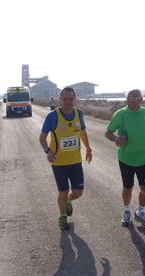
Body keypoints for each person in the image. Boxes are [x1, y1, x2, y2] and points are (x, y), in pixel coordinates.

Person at [105, 89, 145, 228]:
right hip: (126, 158)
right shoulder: (120, 114)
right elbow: (108, 132)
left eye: (134, 98)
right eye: (129, 98)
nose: (131, 101)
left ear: (141, 99)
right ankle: (126, 210)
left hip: (144, 157)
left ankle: (140, 212)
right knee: (128, 188)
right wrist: (116, 138)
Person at [39, 87, 93, 230]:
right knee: (62, 191)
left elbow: (82, 132)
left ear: (75, 99)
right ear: (60, 99)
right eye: (65, 99)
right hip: (59, 162)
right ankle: (62, 216)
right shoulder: (52, 116)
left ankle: (69, 200)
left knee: (78, 192)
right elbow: (42, 137)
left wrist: (88, 149)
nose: (68, 102)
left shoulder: (78, 113)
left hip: (75, 161)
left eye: (70, 99)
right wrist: (48, 150)